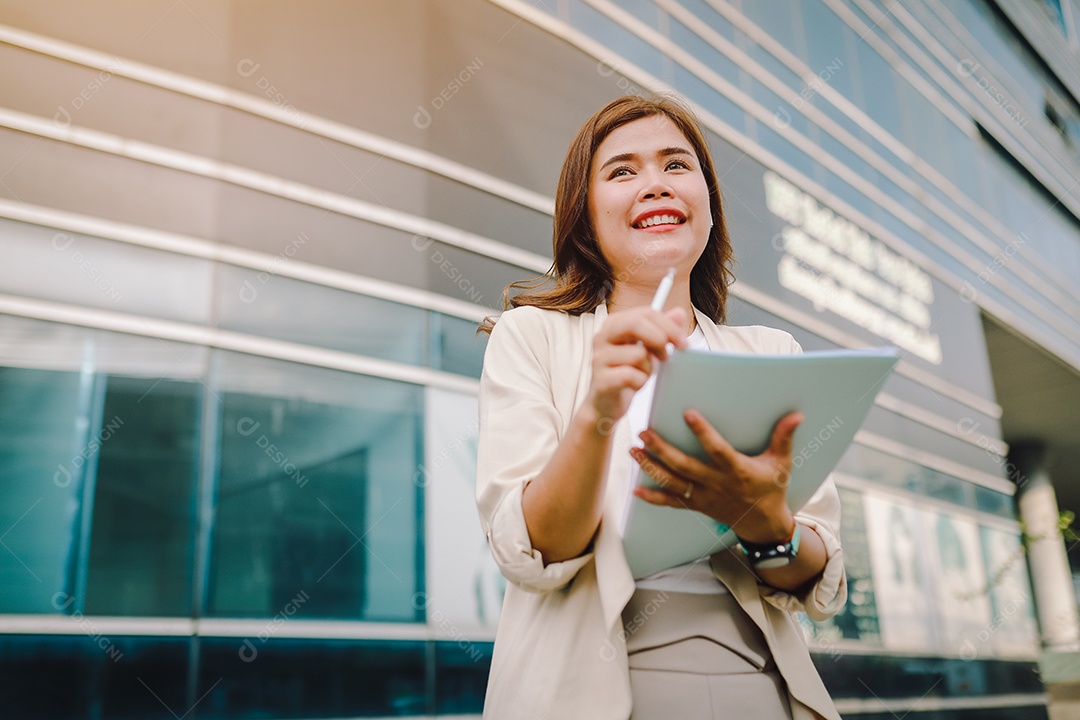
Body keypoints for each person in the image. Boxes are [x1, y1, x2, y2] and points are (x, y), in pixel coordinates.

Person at [475, 94, 847, 720]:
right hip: (586, 686)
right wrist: (598, 411)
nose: (654, 184)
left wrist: (761, 520)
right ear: (586, 215)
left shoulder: (772, 352)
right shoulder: (532, 336)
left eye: (676, 165)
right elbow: (530, 550)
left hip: (758, 682)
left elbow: (819, 577)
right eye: (622, 171)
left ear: (707, 203)